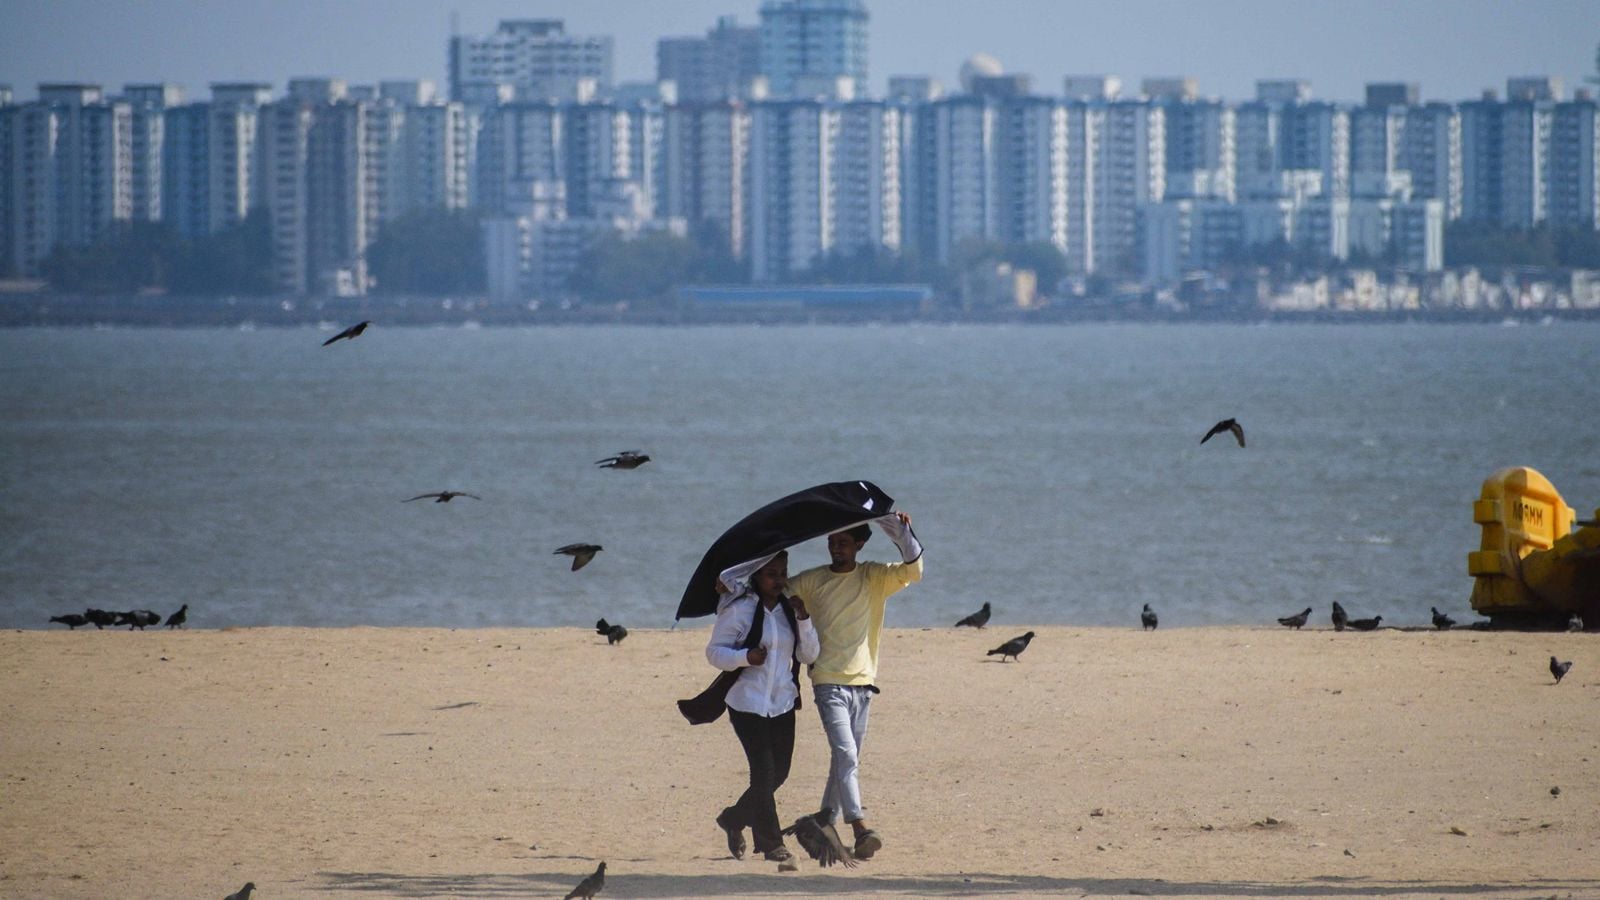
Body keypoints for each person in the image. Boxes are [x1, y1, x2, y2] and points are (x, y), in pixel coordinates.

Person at [788, 511, 922, 861]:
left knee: (844, 758)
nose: (836, 548)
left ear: (859, 545)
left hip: (864, 684)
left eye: (843, 542)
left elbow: (914, 570)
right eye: (832, 542)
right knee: (846, 755)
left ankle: (821, 821)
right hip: (827, 681)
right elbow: (774, 592)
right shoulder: (813, 580)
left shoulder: (874, 576)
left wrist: (901, 531)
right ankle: (860, 826)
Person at [705, 551, 819, 872]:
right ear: (756, 575)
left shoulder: (788, 610)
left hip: (783, 703)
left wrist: (804, 619)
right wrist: (746, 657)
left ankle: (732, 819)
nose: (778, 580)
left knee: (779, 774)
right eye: (771, 574)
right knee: (764, 773)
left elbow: (809, 654)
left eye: (782, 573)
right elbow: (714, 652)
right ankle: (773, 846)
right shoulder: (740, 609)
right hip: (746, 703)